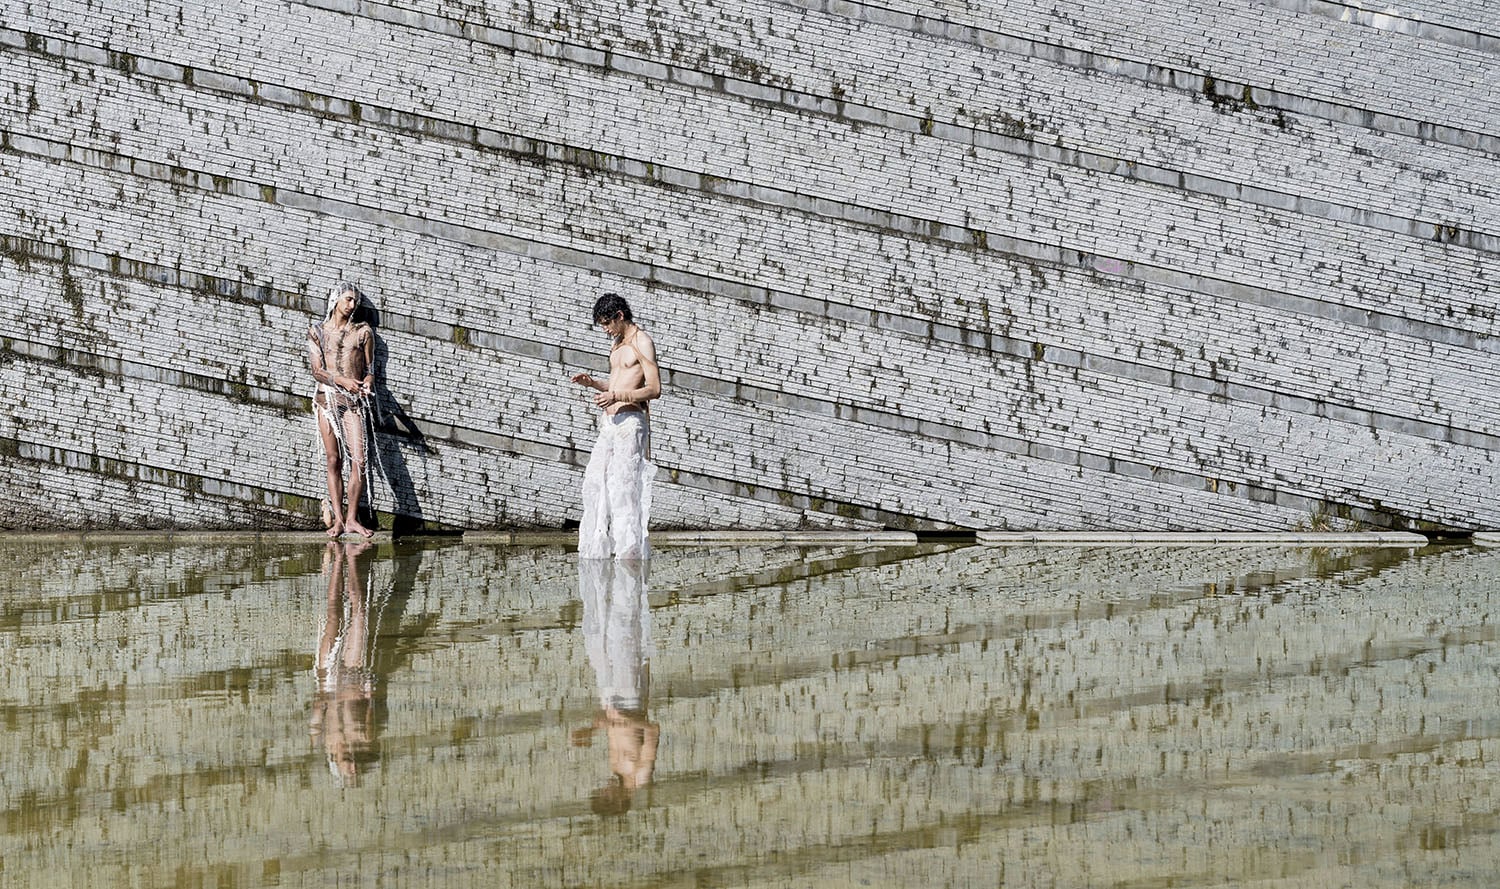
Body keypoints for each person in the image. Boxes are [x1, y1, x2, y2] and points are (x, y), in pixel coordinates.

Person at [570, 294, 661, 560]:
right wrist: (593, 383)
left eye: (606, 323)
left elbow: (654, 389)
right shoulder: (617, 343)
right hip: (609, 424)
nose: (605, 329)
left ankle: (629, 557)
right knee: (596, 484)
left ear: (620, 316)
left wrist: (617, 396)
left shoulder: (642, 341)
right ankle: (599, 556)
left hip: (630, 424)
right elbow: (617, 383)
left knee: (624, 490)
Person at [308, 283, 376, 539]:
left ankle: (352, 519)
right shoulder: (317, 331)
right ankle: (338, 520)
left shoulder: (363, 332)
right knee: (333, 459)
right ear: (335, 299)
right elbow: (317, 371)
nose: (352, 305)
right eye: (348, 299)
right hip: (326, 400)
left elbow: (370, 370)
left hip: (353, 403)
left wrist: (367, 382)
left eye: (355, 301)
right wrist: (342, 381)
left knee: (360, 460)